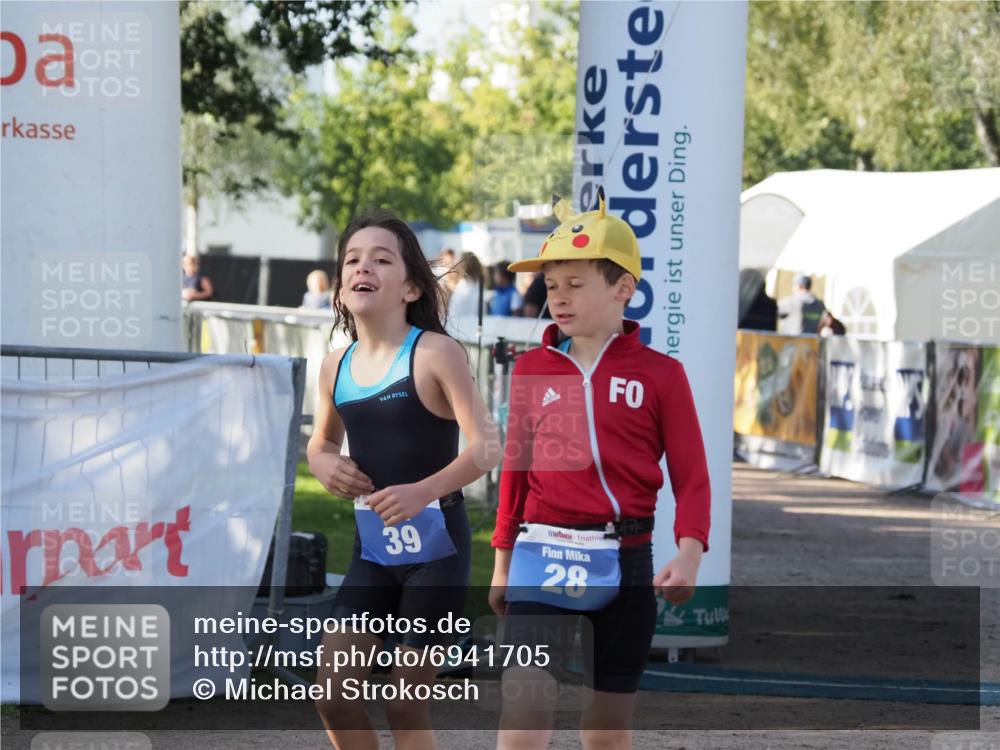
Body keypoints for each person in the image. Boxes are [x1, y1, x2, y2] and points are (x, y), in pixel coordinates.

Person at [489, 193, 711, 750]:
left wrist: (689, 552)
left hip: (627, 563)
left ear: (623, 288)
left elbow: (692, 475)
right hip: (540, 555)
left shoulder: (663, 375)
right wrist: (502, 561)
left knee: (606, 733)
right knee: (523, 720)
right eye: (551, 285)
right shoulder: (531, 370)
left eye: (574, 284)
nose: (557, 298)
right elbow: (514, 475)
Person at [307, 211, 499, 749]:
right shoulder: (333, 366)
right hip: (373, 552)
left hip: (437, 551)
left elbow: (488, 445)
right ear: (341, 286)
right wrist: (322, 463)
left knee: (403, 702)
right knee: (335, 696)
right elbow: (320, 443)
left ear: (411, 286)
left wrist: (423, 491)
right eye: (352, 259)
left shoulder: (436, 353)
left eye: (381, 259)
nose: (363, 266)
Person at [446, 251, 484, 339]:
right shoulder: (462, 284)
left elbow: (476, 310)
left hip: (469, 331)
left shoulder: (477, 286)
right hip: (456, 329)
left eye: (460, 263)